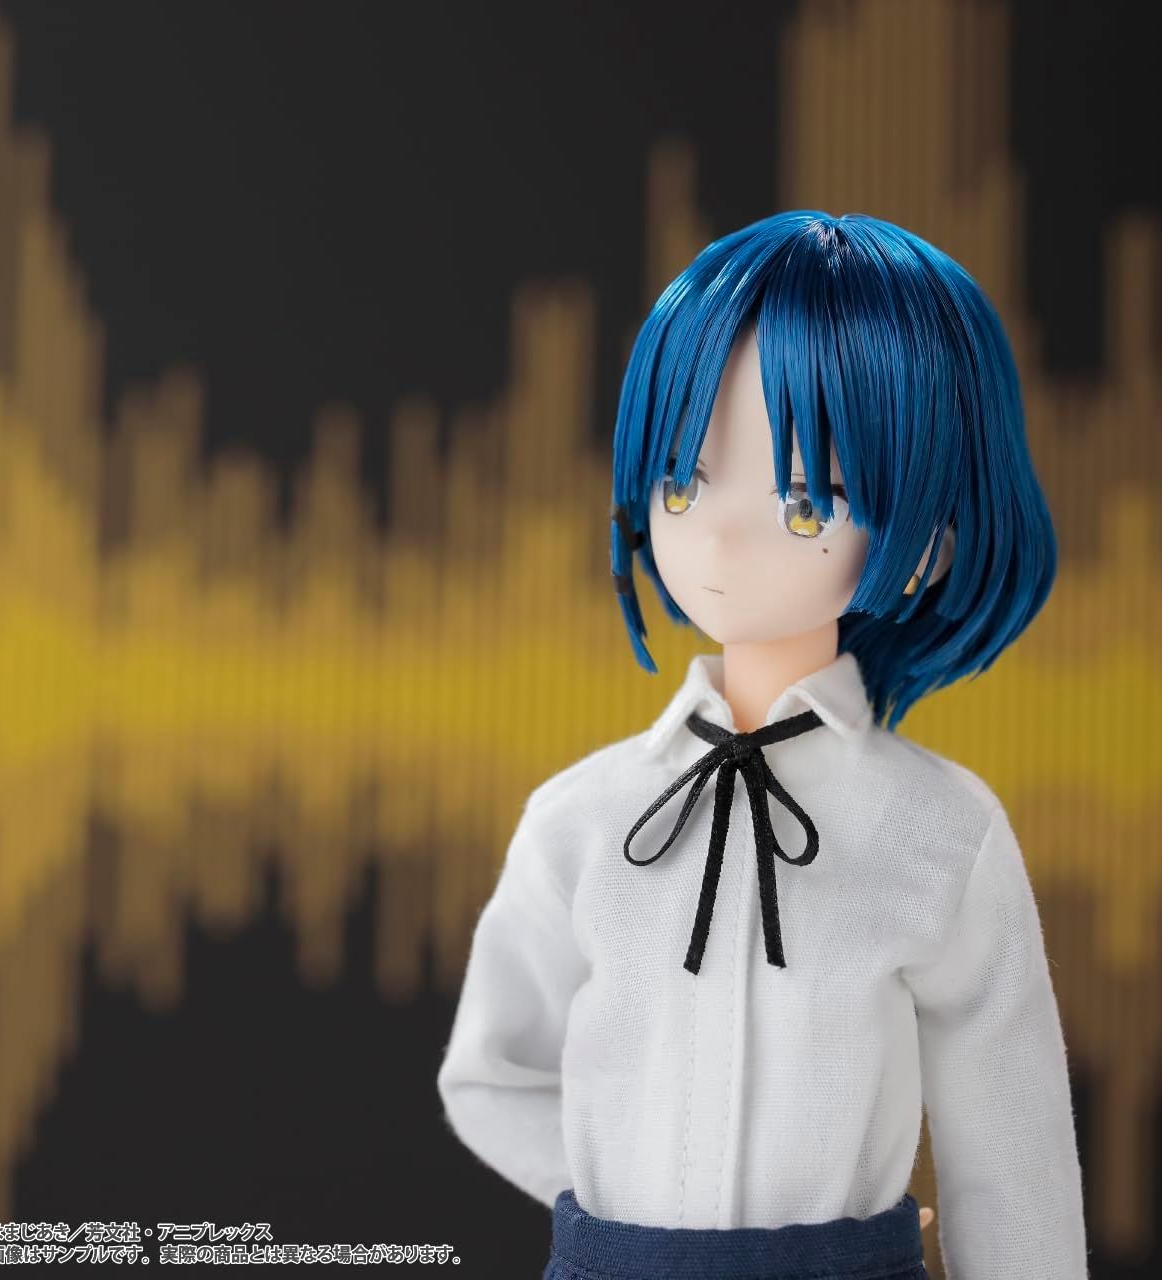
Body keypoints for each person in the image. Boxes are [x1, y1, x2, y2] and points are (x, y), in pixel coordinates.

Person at [438, 212, 1089, 1279]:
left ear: (924, 541)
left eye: (805, 503)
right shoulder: (583, 818)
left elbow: (1009, 1142)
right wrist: (625, 1207)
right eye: (682, 484)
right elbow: (491, 1072)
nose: (719, 535)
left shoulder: (937, 829)